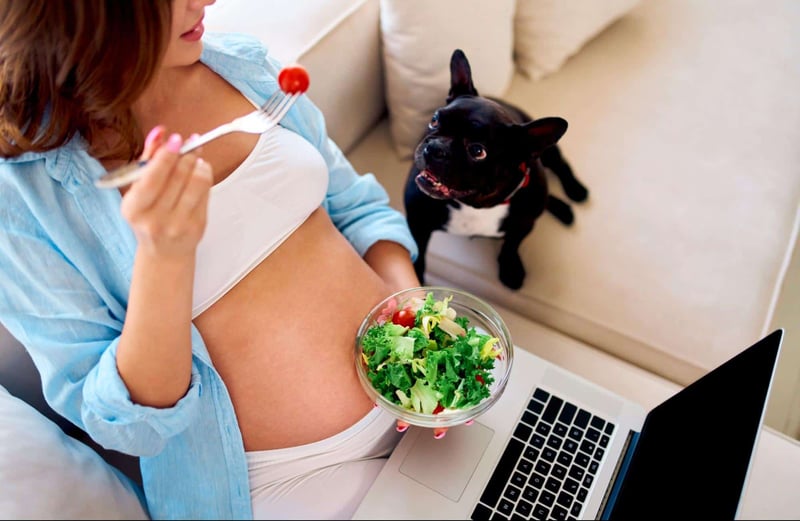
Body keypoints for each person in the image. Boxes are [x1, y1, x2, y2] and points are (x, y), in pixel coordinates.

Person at [0, 0, 451, 518]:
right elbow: (126, 426)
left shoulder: (241, 64)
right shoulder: (22, 196)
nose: (208, 0)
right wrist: (164, 258)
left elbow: (359, 210)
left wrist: (417, 314)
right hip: (285, 482)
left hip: (422, 398)